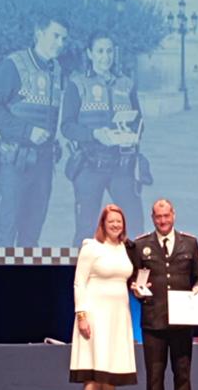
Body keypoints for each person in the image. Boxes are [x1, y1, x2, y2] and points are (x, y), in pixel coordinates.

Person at [0, 14, 68, 246]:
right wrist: (27, 131)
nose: (60, 43)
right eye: (55, 36)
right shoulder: (15, 64)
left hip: (43, 165)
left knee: (31, 235)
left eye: (64, 39)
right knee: (5, 235)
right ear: (38, 33)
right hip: (14, 162)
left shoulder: (56, 70)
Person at [61, 31, 145, 245]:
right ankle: (79, 276)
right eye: (99, 51)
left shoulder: (126, 84)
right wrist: (94, 134)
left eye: (109, 51)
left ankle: (136, 276)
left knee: (135, 226)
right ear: (90, 53)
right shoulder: (77, 84)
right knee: (86, 230)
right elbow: (67, 126)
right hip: (89, 165)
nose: (105, 56)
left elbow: (139, 120)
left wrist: (131, 135)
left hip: (122, 165)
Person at [131, 199, 198, 390]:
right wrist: (136, 288)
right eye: (158, 216)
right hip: (153, 321)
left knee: (182, 373)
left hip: (182, 320)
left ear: (173, 215)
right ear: (152, 218)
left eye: (166, 216)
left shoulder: (190, 243)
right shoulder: (140, 245)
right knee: (155, 375)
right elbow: (133, 277)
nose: (163, 221)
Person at [69, 204, 138, 390]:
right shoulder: (91, 247)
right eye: (111, 221)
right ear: (103, 224)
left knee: (111, 370)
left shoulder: (125, 248)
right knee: (93, 370)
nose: (116, 225)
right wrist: (81, 315)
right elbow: (79, 282)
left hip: (118, 317)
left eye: (119, 221)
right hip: (95, 316)